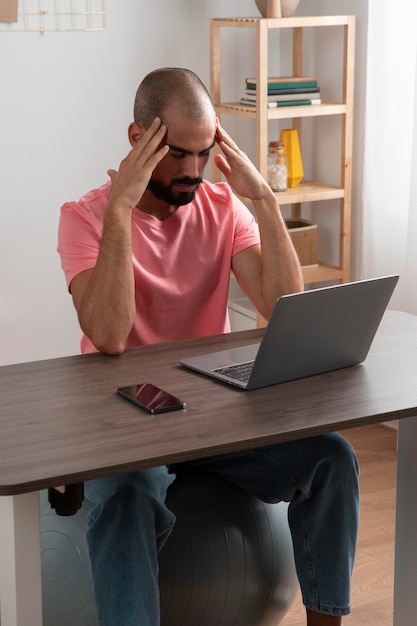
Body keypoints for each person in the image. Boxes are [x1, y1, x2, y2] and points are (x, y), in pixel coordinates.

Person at [58, 67, 359, 626]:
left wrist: (264, 200)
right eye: (178, 154)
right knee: (125, 498)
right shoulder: (84, 218)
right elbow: (108, 334)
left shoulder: (223, 207)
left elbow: (281, 306)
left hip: (212, 414)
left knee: (332, 457)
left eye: (205, 154)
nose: (194, 171)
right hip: (122, 422)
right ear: (138, 140)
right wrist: (120, 211)